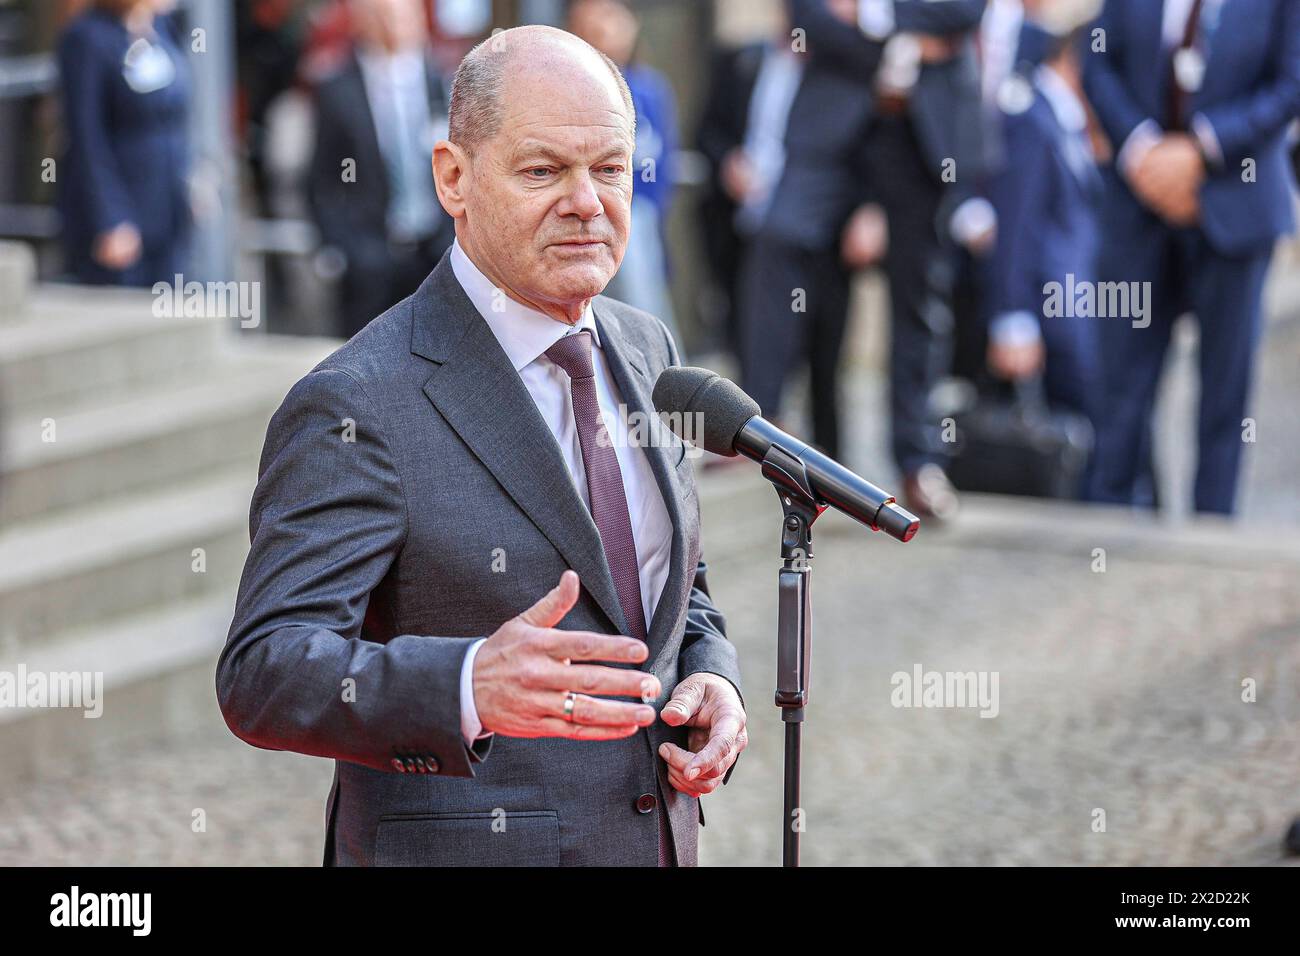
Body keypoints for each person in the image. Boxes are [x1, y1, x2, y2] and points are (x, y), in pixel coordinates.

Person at [218, 25, 746, 867]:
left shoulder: (648, 348)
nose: (587, 200)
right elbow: (265, 672)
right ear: (453, 178)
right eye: (543, 170)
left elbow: (670, 584)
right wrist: (468, 684)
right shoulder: (356, 402)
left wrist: (713, 674)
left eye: (609, 168)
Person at [1084, 0, 1300, 514]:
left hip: (1237, 206)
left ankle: (1211, 529)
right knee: (1121, 388)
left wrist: (1202, 150)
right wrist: (1143, 150)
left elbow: (1290, 85)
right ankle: (1111, 523)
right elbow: (1098, 61)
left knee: (1226, 392)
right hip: (1137, 203)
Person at [734, 0, 883, 462]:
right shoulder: (760, 61)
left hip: (835, 222)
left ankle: (829, 455)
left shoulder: (861, 58)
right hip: (773, 220)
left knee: (827, 348)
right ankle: (762, 419)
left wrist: (872, 208)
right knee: (764, 318)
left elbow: (880, 145)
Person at [307, 0, 455, 339]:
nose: (396, 27)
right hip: (369, 257)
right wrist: (342, 247)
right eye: (384, 17)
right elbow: (321, 180)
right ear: (363, 23)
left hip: (433, 253)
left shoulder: (442, 82)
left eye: (404, 17)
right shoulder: (337, 88)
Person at [985, 19, 1103, 433]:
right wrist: (1013, 317)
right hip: (1051, 314)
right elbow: (1016, 224)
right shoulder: (1031, 120)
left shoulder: (1065, 121)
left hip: (1076, 313)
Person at [568, 0, 681, 343]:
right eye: (596, 20)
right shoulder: (572, 88)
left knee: (643, 309)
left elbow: (664, 165)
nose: (608, 28)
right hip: (586, 215)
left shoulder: (650, 89)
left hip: (638, 217)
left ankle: (660, 382)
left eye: (615, 19)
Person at [56, 0, 191, 286]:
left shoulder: (162, 28)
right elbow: (86, 137)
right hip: (121, 211)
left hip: (166, 206)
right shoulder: (87, 38)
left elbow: (175, 116)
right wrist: (110, 219)